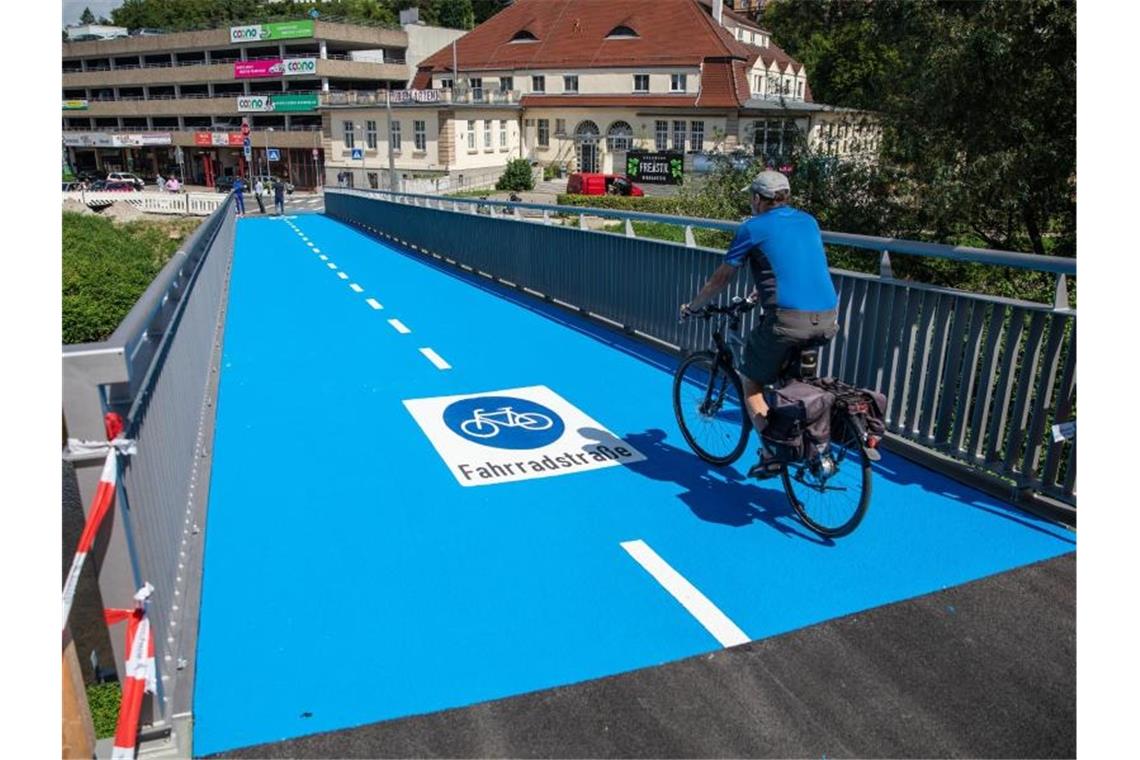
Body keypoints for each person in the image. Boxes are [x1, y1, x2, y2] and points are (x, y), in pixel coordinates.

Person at [680, 170, 839, 478]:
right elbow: (793, 265)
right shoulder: (809, 222)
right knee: (790, 381)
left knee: (751, 380)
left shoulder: (752, 228)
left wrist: (693, 306)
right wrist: (758, 293)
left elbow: (722, 278)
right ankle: (805, 438)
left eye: (751, 197)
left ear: (758, 199)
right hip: (829, 318)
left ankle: (772, 452)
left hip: (788, 320)